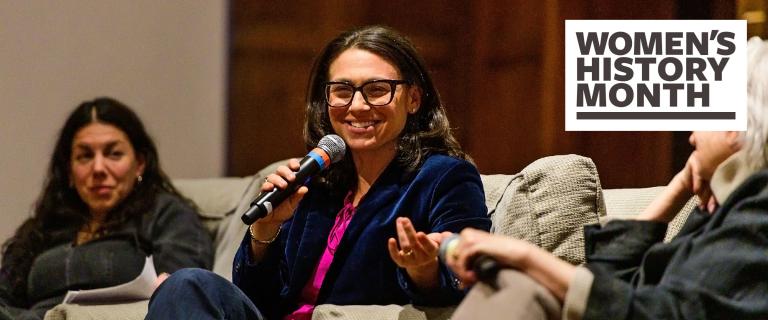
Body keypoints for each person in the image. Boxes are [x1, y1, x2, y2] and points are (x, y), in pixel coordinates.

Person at [146, 25, 491, 320]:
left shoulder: (445, 177)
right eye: (342, 91)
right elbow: (257, 301)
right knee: (187, 284)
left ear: (413, 99)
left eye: (377, 90)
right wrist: (265, 229)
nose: (357, 106)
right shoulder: (317, 180)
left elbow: (465, 278)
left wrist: (423, 269)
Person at [444, 37, 768, 320]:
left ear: (736, 127)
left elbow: (663, 314)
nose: (692, 136)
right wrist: (680, 186)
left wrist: (526, 255)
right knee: (520, 285)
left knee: (521, 285)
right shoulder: (719, 204)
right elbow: (607, 277)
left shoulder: (758, 210)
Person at [0, 97, 213, 320]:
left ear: (139, 163)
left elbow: (180, 290)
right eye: (85, 156)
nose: (98, 168)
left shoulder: (166, 213)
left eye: (114, 154)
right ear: (70, 172)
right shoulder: (43, 227)